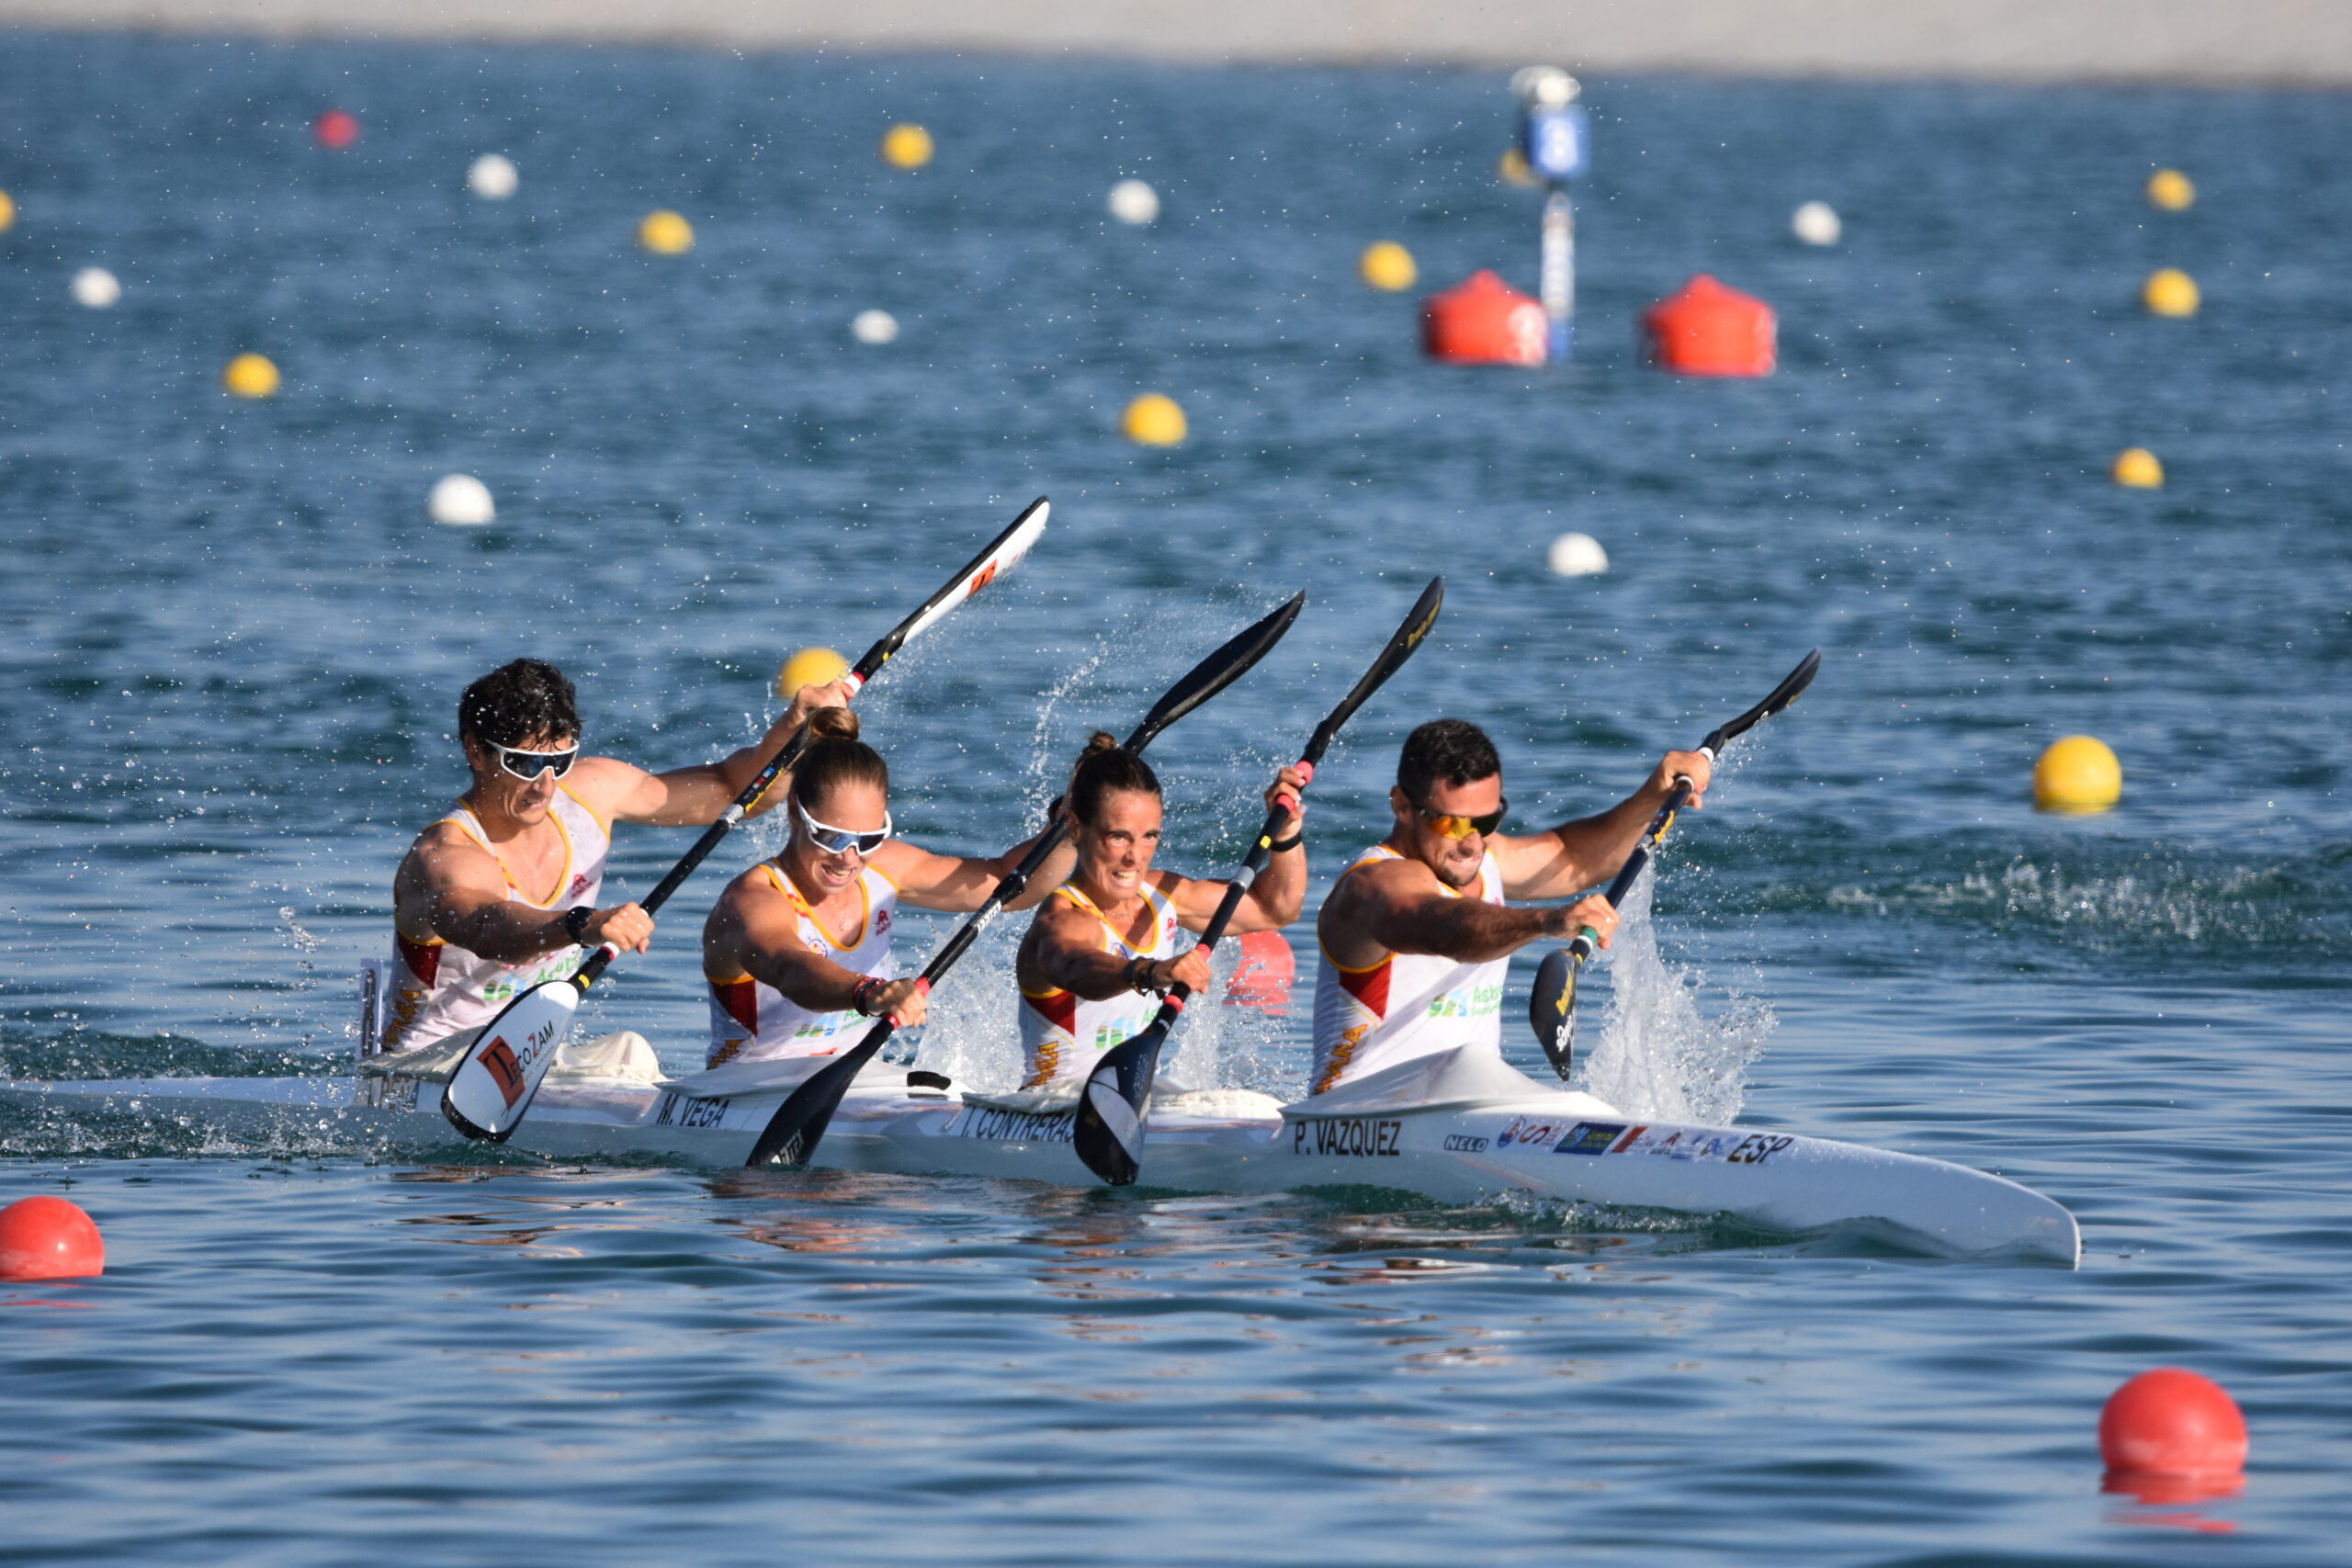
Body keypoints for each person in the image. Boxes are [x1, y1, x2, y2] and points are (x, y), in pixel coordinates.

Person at [380, 657, 848, 1056]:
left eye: (558, 762)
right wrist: (580, 924)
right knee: (629, 1055)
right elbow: (486, 927)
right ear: (476, 753)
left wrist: (796, 729)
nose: (545, 786)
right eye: (523, 764)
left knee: (626, 1055)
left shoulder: (591, 793)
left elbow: (734, 789)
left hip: (529, 1055)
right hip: (428, 1063)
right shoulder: (446, 854)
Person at [1310, 718, 1713, 1095]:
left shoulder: (1482, 857)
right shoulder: (1374, 884)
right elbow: (1443, 928)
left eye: (1486, 822)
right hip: (1353, 1115)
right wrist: (1549, 920)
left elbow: (1578, 858)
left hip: (1462, 1105)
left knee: (1479, 1070)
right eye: (1453, 824)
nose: (1472, 843)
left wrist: (1652, 795)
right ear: (1401, 806)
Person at [700, 707, 1075, 1069]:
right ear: (795, 812)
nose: (850, 858)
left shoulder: (884, 867)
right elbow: (790, 970)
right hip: (743, 1088)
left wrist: (1069, 828)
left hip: (851, 1084)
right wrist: (868, 991)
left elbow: (1015, 887)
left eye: (869, 838)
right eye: (833, 837)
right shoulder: (753, 899)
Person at [1013, 735, 1311, 1090]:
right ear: (1077, 828)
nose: (1134, 857)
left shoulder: (1165, 894)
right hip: (1050, 1110)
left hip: (1130, 1104)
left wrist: (1287, 833)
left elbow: (1276, 908)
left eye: (1149, 836)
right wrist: (1151, 971)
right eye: (1118, 837)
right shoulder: (1063, 918)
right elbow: (1075, 969)